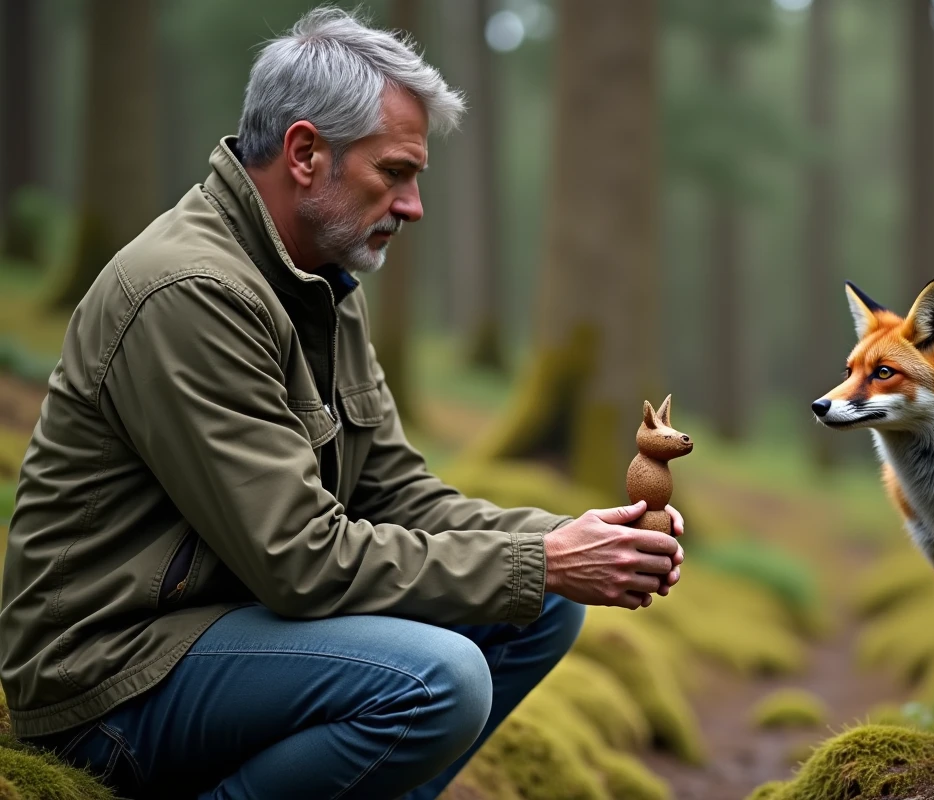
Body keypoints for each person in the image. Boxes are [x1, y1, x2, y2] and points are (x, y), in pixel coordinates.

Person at [0, 7, 684, 799]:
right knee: (442, 680)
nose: (414, 204)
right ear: (304, 153)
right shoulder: (191, 292)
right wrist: (541, 560)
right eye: (394, 172)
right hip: (109, 679)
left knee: (543, 608)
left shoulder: (319, 278)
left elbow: (394, 494)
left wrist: (572, 541)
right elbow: (299, 560)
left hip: (222, 631)